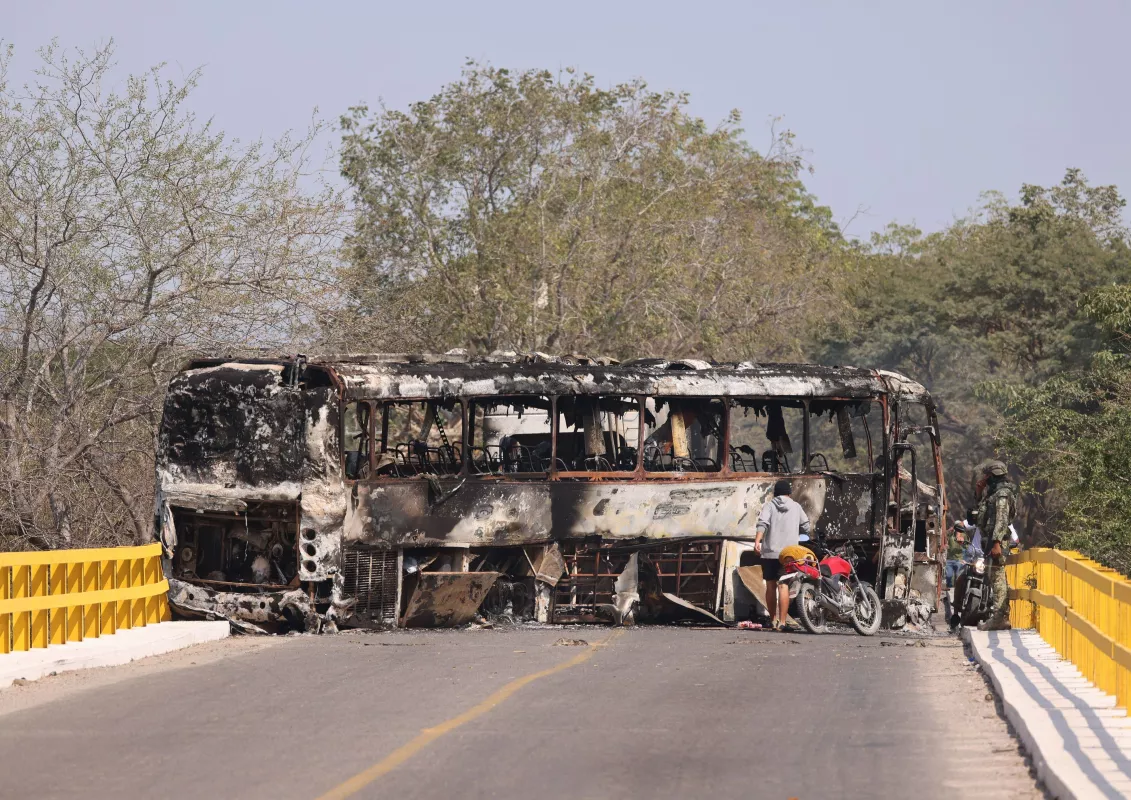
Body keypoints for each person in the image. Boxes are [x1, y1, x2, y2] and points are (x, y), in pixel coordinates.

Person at [754, 479, 812, 632]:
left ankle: (773, 620)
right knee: (783, 585)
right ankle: (783, 622)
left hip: (770, 552)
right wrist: (797, 534)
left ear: (775, 493)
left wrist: (757, 541)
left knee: (771, 586)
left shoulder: (769, 506)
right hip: (789, 554)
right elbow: (806, 526)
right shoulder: (796, 507)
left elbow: (763, 523)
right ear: (789, 493)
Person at [974, 460, 1019, 631]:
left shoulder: (1001, 494)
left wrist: (996, 543)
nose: (984, 479)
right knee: (995, 578)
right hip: (991, 540)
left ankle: (1000, 618)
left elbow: (1001, 520)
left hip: (996, 541)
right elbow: (980, 513)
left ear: (991, 476)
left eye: (986, 476)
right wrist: (979, 492)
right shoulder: (992, 493)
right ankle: (1000, 616)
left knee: (998, 577)